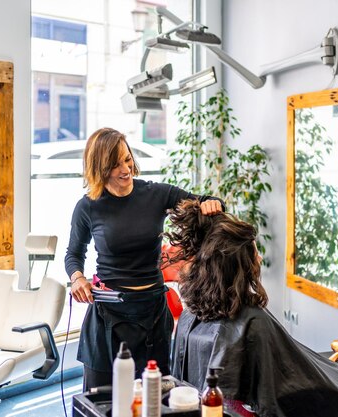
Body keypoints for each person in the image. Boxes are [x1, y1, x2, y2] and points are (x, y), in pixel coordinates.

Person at [163, 199, 338, 417]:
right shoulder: (252, 321)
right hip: (322, 392)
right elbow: (274, 397)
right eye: (254, 253)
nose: (258, 260)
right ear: (236, 265)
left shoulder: (192, 313)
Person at [65, 127, 223, 391]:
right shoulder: (88, 206)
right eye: (115, 164)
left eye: (127, 159)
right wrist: (77, 277)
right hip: (108, 316)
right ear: (100, 167)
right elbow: (73, 254)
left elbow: (206, 202)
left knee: (155, 397)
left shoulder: (156, 195)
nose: (125, 169)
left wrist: (211, 204)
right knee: (100, 399)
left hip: (152, 311)